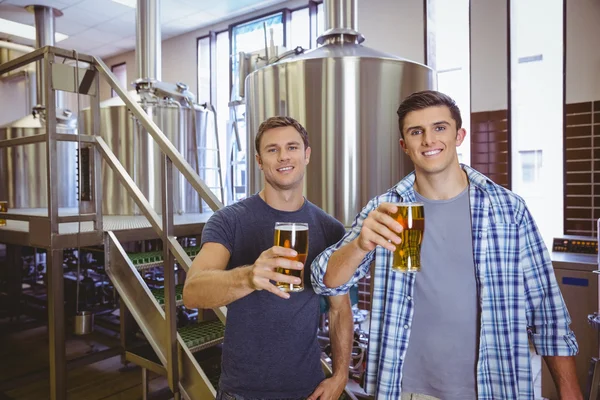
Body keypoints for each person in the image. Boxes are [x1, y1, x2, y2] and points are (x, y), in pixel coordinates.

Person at [311, 90, 582, 399]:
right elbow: (327, 282)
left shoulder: (507, 209)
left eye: (439, 128)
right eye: (417, 132)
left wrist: (570, 391)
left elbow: (547, 310)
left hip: (495, 387)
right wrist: (360, 244)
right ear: (405, 145)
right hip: (408, 390)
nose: (429, 140)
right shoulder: (387, 209)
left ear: (459, 135)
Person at [183, 116, 353, 400]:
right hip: (242, 392)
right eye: (272, 149)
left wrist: (340, 376)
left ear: (307, 154)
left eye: (292, 147)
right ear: (259, 161)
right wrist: (249, 276)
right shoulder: (229, 221)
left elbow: (339, 310)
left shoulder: (329, 228)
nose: (284, 156)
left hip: (308, 389)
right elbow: (192, 292)